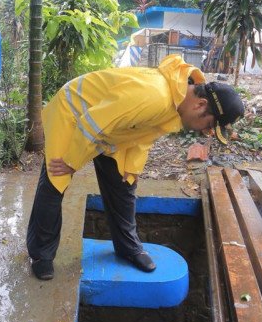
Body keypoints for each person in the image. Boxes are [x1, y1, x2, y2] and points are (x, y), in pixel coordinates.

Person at [26, 54, 245, 280]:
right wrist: (72, 162)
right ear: (200, 105)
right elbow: (92, 123)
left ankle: (127, 248)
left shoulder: (176, 103)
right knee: (56, 179)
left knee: (125, 181)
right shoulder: (155, 96)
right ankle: (41, 255)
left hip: (110, 129)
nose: (205, 132)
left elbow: (144, 135)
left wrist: (132, 167)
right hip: (74, 113)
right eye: (209, 125)